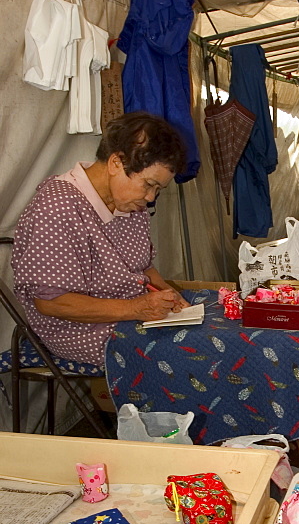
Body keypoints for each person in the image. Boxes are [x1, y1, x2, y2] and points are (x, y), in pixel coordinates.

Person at [12, 112, 188, 367]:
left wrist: (169, 295)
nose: (150, 197)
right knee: (188, 353)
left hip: (132, 312)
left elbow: (144, 268)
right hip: (78, 330)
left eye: (158, 189)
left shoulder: (131, 205)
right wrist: (136, 309)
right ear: (116, 163)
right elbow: (51, 303)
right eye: (149, 184)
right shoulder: (57, 206)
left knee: (212, 325)